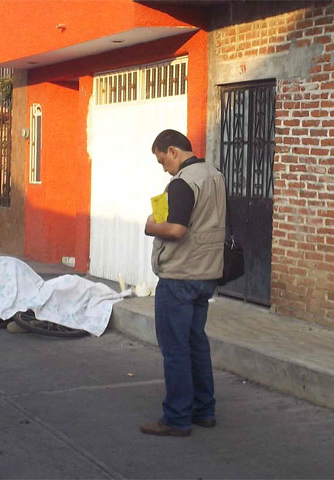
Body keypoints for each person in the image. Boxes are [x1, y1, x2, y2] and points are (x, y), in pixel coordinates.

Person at [141, 129, 226, 437]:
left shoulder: (183, 182)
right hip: (206, 274)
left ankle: (176, 418)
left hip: (179, 276)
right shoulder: (215, 175)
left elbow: (176, 230)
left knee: (176, 348)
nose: (164, 168)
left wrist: (151, 226)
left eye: (162, 160)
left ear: (174, 151)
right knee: (196, 344)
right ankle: (204, 411)